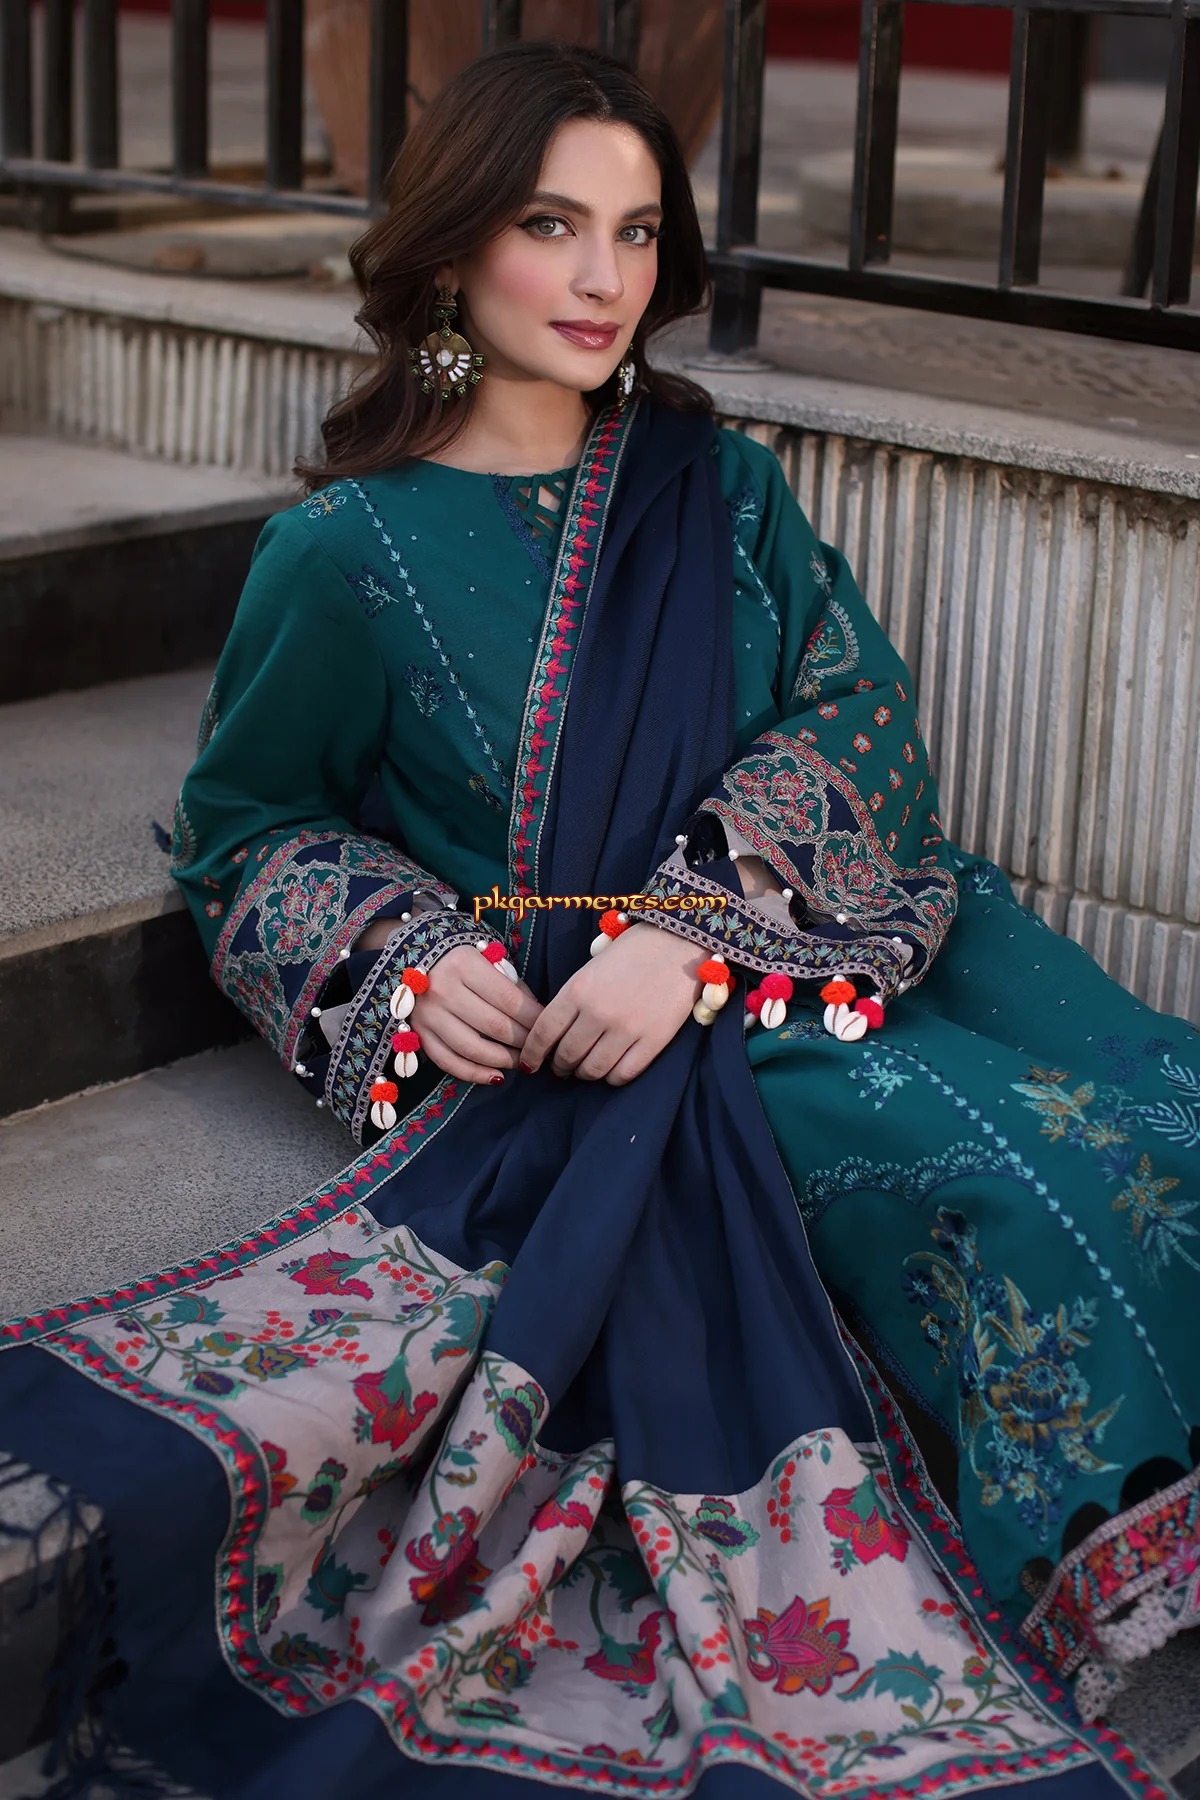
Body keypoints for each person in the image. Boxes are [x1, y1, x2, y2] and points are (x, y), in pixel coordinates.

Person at [2, 38, 1196, 1800]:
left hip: (811, 940)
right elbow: (248, 825)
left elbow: (856, 709)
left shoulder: (715, 484)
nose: (602, 278)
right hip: (605, 1040)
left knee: (1158, 1117)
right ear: (453, 247)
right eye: (552, 225)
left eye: (636, 233)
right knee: (1013, 1185)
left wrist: (697, 924)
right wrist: (408, 960)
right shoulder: (347, 551)